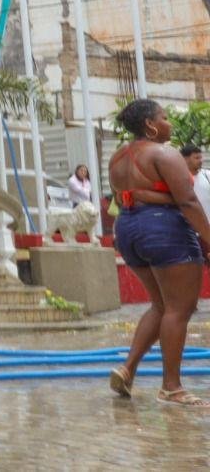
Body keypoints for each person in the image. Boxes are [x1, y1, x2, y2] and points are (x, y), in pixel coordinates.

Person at [108, 99, 210, 406]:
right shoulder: (163, 153)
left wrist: (149, 196)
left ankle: (127, 369)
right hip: (163, 231)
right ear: (151, 125)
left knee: (161, 305)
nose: (169, 124)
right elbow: (188, 202)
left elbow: (127, 196)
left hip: (127, 230)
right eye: (164, 118)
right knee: (180, 308)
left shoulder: (117, 158)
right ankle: (172, 386)